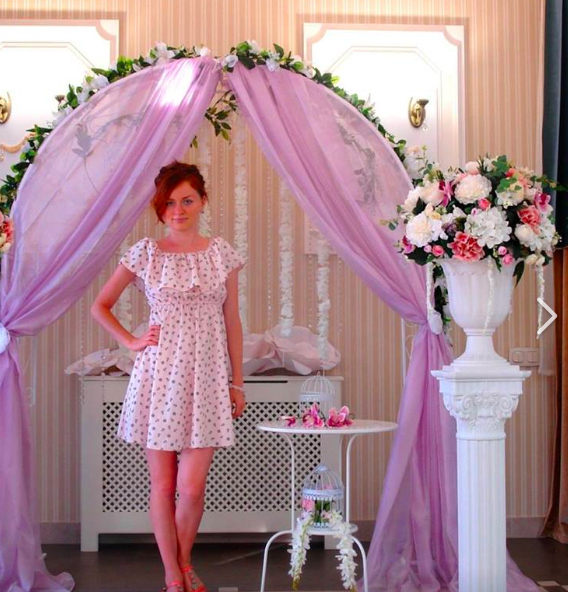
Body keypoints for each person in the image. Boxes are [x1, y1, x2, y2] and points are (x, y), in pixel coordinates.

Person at [91, 161, 246, 592]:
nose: (178, 210)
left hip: (208, 378)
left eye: (187, 201)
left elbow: (232, 321)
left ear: (202, 201)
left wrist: (237, 382)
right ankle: (173, 575)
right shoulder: (146, 253)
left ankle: (184, 562)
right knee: (163, 485)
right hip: (158, 377)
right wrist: (132, 341)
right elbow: (100, 305)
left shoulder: (221, 254)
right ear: (159, 208)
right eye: (169, 203)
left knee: (191, 489)